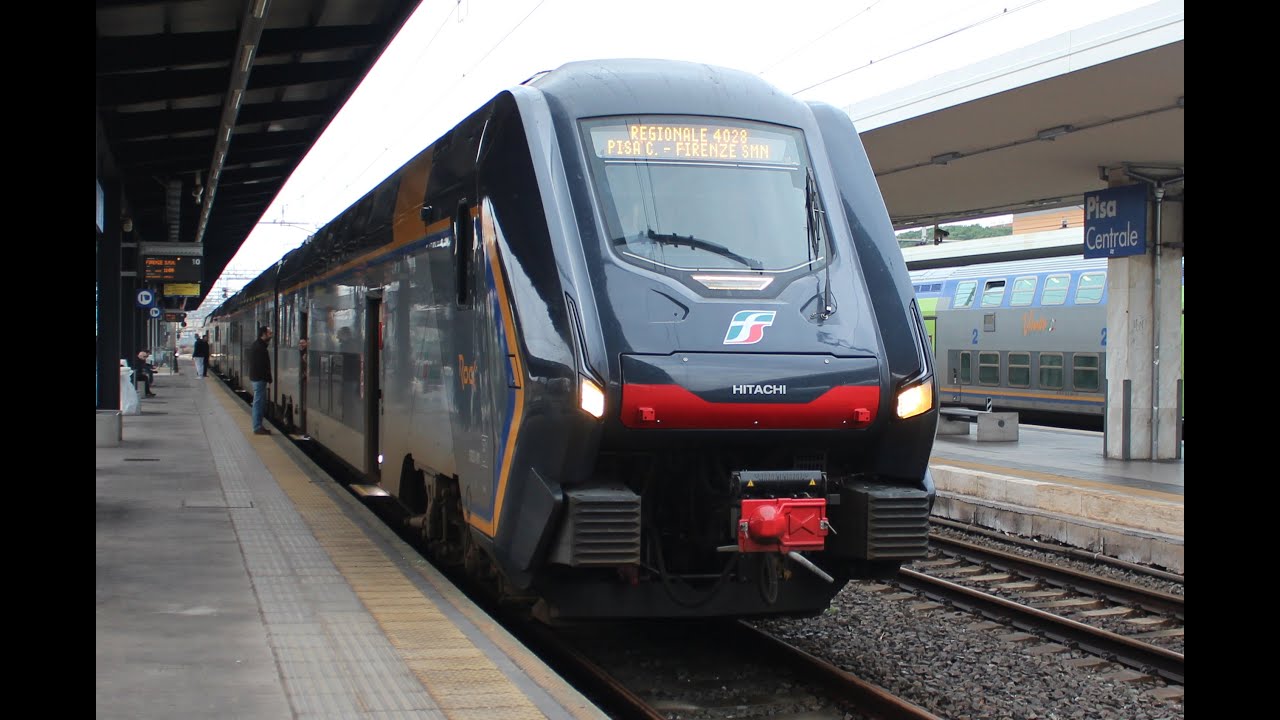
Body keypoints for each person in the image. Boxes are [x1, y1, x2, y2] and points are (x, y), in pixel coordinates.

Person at [249, 325, 273, 435]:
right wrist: (267, 377)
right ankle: (257, 427)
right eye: (269, 333)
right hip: (259, 379)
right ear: (263, 334)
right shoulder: (260, 347)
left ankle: (258, 425)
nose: (271, 335)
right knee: (258, 403)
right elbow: (261, 366)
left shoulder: (258, 345)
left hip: (257, 378)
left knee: (259, 403)